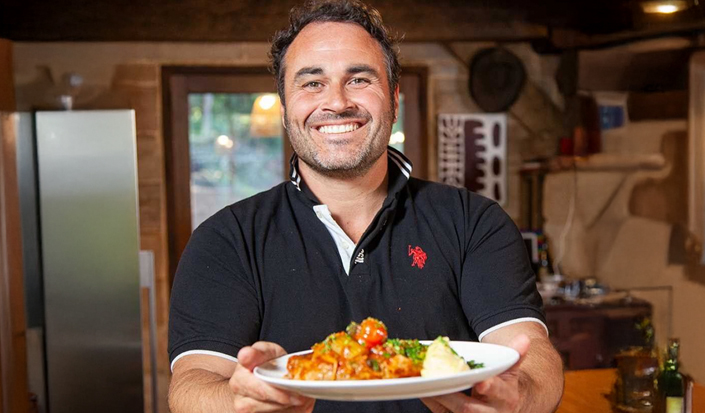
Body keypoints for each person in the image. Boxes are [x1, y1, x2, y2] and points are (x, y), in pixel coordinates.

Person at [167, 1, 564, 412]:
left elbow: (533, 353)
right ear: (285, 109)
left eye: (358, 79)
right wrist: (239, 400)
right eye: (312, 83)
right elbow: (192, 385)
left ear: (394, 99)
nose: (337, 102)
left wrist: (521, 399)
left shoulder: (474, 222)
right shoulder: (226, 240)